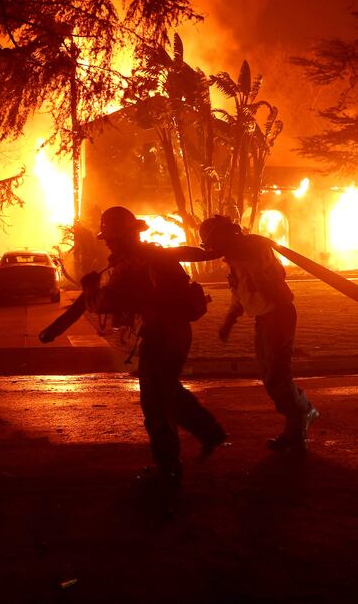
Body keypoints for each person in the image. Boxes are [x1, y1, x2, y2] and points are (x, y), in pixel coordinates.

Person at [39, 206, 226, 487]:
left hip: (163, 335)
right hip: (175, 333)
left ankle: (169, 467)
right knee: (168, 390)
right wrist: (54, 330)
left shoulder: (132, 265)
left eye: (111, 238)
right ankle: (209, 432)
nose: (108, 243)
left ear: (126, 236)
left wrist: (90, 288)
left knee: (155, 403)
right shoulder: (153, 255)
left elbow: (105, 303)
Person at [199, 215, 319, 453]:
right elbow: (241, 293)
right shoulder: (236, 259)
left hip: (278, 315)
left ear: (226, 235)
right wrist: (229, 321)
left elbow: (266, 275)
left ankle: (297, 428)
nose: (214, 248)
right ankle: (303, 411)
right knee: (270, 376)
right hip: (264, 320)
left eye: (215, 241)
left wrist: (239, 254)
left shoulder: (254, 250)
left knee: (277, 376)